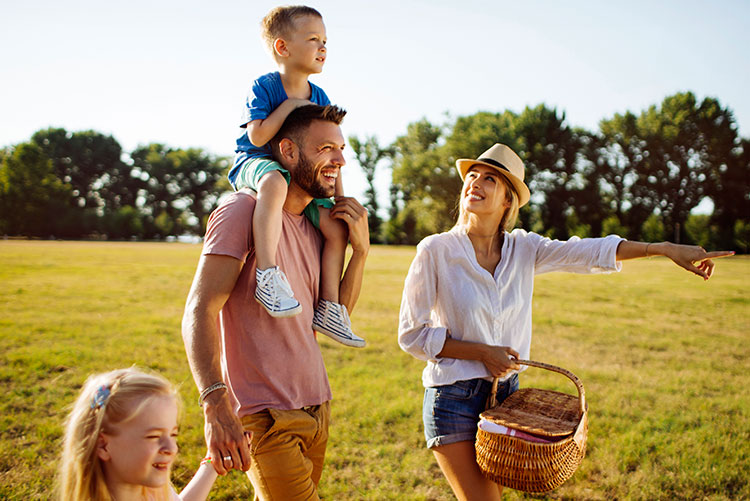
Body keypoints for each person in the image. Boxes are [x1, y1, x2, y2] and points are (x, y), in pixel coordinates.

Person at [397, 143, 734, 500]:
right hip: (453, 399)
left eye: (490, 178)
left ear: (508, 201)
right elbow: (412, 335)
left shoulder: (524, 249)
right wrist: (482, 352)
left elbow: (589, 251)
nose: (475, 183)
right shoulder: (435, 250)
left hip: (504, 401)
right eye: (473, 175)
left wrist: (662, 248)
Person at [182, 104, 370, 500]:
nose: (340, 160)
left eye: (341, 148)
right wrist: (214, 405)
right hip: (263, 414)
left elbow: (334, 317)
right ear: (287, 152)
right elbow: (200, 309)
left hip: (317, 405)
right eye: (325, 149)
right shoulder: (242, 212)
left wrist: (361, 252)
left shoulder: (319, 226)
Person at [228, 5, 364, 348]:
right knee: (274, 181)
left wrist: (339, 199)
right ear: (282, 48)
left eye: (325, 41)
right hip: (257, 162)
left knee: (335, 226)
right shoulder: (265, 86)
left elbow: (331, 152)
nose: (323, 47)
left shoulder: (320, 97)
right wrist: (289, 108)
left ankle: (330, 308)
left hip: (300, 174)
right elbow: (258, 138)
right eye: (313, 39)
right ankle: (268, 274)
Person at [57, 367, 229, 501]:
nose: (171, 448)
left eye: (173, 435)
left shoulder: (151, 491)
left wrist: (212, 464)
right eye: (153, 436)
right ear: (103, 445)